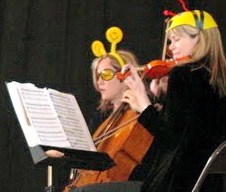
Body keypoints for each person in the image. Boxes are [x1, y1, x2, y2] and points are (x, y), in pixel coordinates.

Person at [71, 10, 226, 192]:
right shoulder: (215, 79)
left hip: (173, 184)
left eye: (176, 40)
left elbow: (169, 138)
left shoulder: (183, 74)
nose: (170, 47)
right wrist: (161, 98)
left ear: (199, 38)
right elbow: (189, 131)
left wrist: (145, 105)